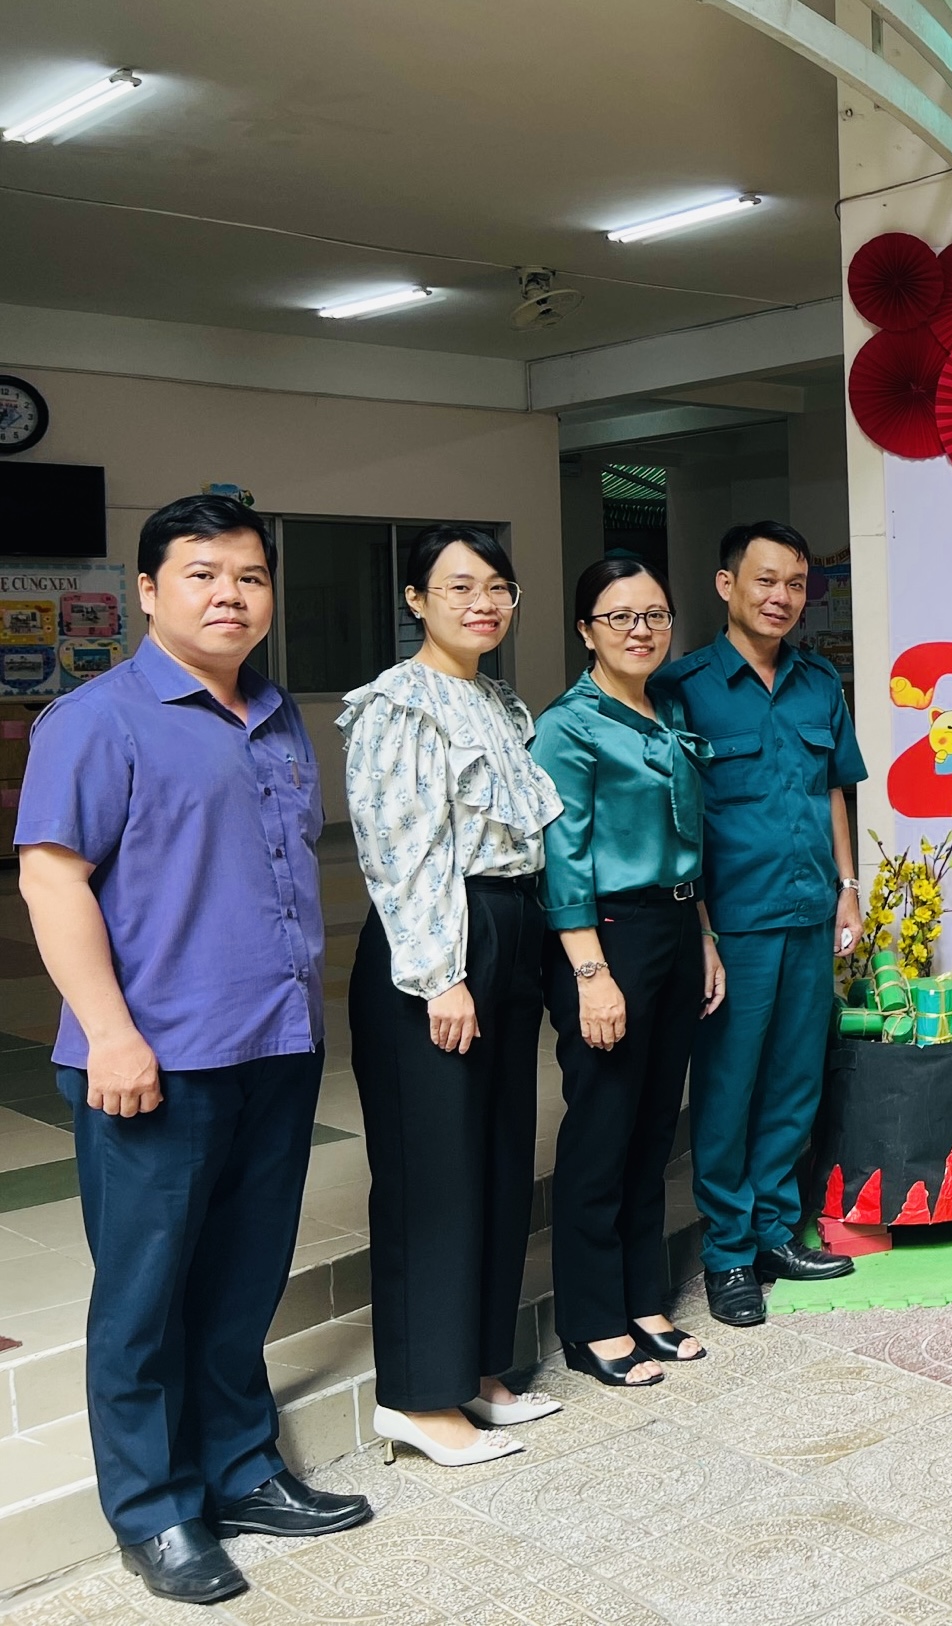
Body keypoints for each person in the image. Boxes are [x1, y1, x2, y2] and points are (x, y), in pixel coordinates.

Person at [17, 495, 369, 1606]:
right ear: (147, 591)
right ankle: (156, 1512)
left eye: (250, 577)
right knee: (145, 1296)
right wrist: (111, 1035)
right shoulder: (96, 720)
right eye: (203, 574)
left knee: (242, 1278)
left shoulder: (274, 711)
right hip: (154, 1060)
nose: (230, 595)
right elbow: (52, 880)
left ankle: (242, 1469)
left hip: (275, 1043)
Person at [341, 526, 565, 1464]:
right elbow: (401, 852)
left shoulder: (499, 699)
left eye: (498, 587)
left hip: (509, 925)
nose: (484, 603)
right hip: (436, 941)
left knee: (500, 1158)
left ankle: (477, 1368)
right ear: (415, 600)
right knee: (432, 1176)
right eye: (459, 587)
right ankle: (417, 1397)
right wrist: (442, 974)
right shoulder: (396, 703)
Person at [655, 520, 866, 1328]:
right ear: (727, 585)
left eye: (794, 584)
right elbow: (678, 818)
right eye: (765, 580)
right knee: (727, 1089)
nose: (781, 597)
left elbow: (832, 788)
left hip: (809, 910)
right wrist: (702, 931)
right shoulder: (684, 688)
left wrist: (848, 888)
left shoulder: (817, 682)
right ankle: (729, 1254)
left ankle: (776, 1232)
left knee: (793, 1081)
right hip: (734, 923)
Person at [533, 557, 726, 1386]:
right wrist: (590, 974)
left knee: (651, 1129)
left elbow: (688, 836)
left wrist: (703, 934)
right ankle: (591, 1321)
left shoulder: (665, 709)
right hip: (606, 936)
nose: (640, 631)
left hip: (674, 925)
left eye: (655, 615)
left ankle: (644, 1300)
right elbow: (562, 856)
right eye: (619, 617)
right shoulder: (568, 726)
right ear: (586, 631)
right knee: (602, 1128)